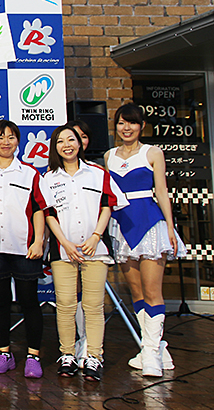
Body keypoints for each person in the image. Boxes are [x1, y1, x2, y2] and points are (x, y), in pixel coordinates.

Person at [105, 104, 186, 377]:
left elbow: (162, 192)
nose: (126, 128)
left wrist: (171, 228)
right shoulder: (109, 156)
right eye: (121, 123)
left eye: (132, 123)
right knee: (136, 292)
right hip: (122, 225)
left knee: (153, 291)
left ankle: (151, 353)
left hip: (150, 224)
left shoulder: (152, 152)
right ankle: (153, 347)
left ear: (141, 126)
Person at [42, 124, 126, 382]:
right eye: (60, 141)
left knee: (93, 305)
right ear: (54, 147)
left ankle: (94, 356)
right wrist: (65, 243)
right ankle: (67, 354)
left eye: (71, 139)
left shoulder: (98, 173)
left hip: (95, 249)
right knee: (65, 304)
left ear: (80, 143)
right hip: (62, 249)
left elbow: (107, 206)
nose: (66, 145)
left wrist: (96, 236)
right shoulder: (48, 178)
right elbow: (48, 214)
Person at [0, 120, 47, 379]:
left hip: (25, 248)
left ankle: (33, 356)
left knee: (29, 301)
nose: (6, 142)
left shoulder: (30, 173)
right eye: (0, 137)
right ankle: (4, 353)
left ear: (18, 141)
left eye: (11, 137)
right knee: (1, 302)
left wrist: (38, 241)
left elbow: (39, 209)